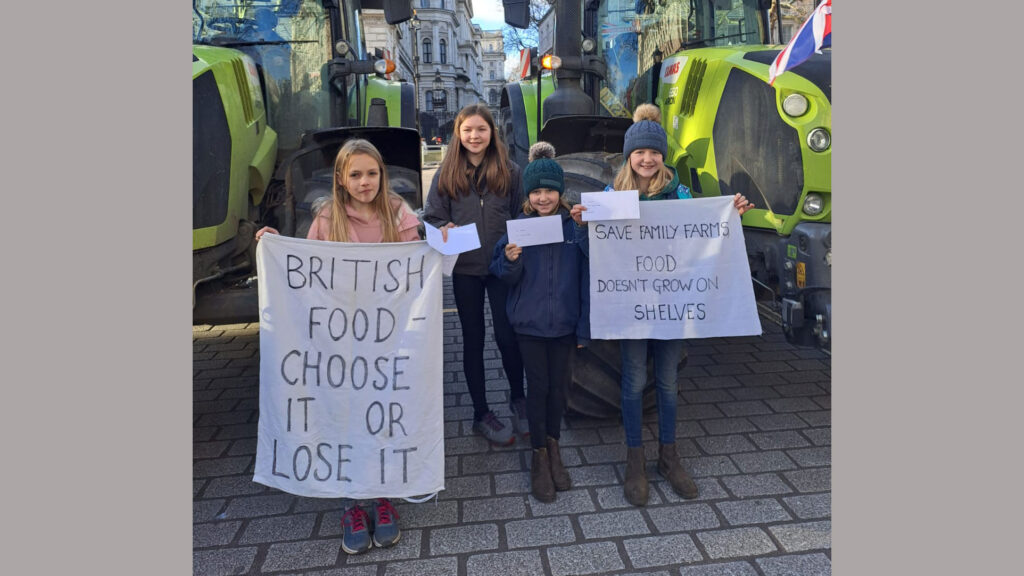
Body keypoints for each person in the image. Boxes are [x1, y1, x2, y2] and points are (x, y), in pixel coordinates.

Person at [570, 104, 754, 506]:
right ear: (628, 156)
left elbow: (704, 236)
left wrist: (730, 216)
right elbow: (593, 256)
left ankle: (669, 457)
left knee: (668, 382)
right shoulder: (610, 197)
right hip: (632, 309)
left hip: (673, 308)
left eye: (654, 152)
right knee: (633, 381)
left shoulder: (682, 195)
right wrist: (584, 227)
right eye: (640, 153)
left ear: (662, 157)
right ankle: (635, 459)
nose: (647, 159)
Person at [255, 138, 420, 554]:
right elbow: (308, 269)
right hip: (341, 339)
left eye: (372, 173)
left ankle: (382, 497)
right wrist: (275, 246)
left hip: (387, 336)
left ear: (382, 175)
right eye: (356, 175)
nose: (365, 182)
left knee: (380, 412)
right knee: (346, 412)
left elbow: (417, 268)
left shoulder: (399, 213)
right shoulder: (328, 217)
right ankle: (351, 501)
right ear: (341, 179)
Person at [423, 104, 527, 446]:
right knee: (473, 339)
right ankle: (480, 412)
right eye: (468, 130)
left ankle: (518, 399)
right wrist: (443, 227)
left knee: (507, 335)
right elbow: (433, 217)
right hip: (464, 269)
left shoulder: (510, 171)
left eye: (481, 129)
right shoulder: (445, 173)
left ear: (492, 132)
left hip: (499, 267)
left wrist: (516, 247)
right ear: (459, 134)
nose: (474, 136)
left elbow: (520, 215)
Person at [490, 142, 588, 502]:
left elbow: (588, 269)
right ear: (528, 196)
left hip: (563, 324)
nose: (543, 197)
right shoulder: (519, 228)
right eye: (536, 191)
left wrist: (583, 326)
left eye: (549, 190)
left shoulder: (573, 227)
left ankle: (554, 447)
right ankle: (538, 458)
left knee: (559, 389)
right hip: (529, 326)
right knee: (538, 388)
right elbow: (502, 273)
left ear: (560, 192)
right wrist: (511, 260)